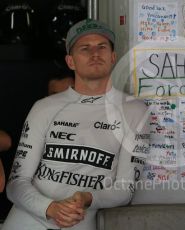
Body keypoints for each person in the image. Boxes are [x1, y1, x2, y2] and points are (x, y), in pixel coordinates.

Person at [3, 18, 149, 230]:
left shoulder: (135, 111)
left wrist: (86, 198)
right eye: (85, 48)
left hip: (79, 222)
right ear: (70, 61)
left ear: (113, 57)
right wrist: (50, 207)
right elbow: (16, 183)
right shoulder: (44, 107)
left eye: (102, 47)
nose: (95, 54)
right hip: (27, 220)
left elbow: (124, 190)